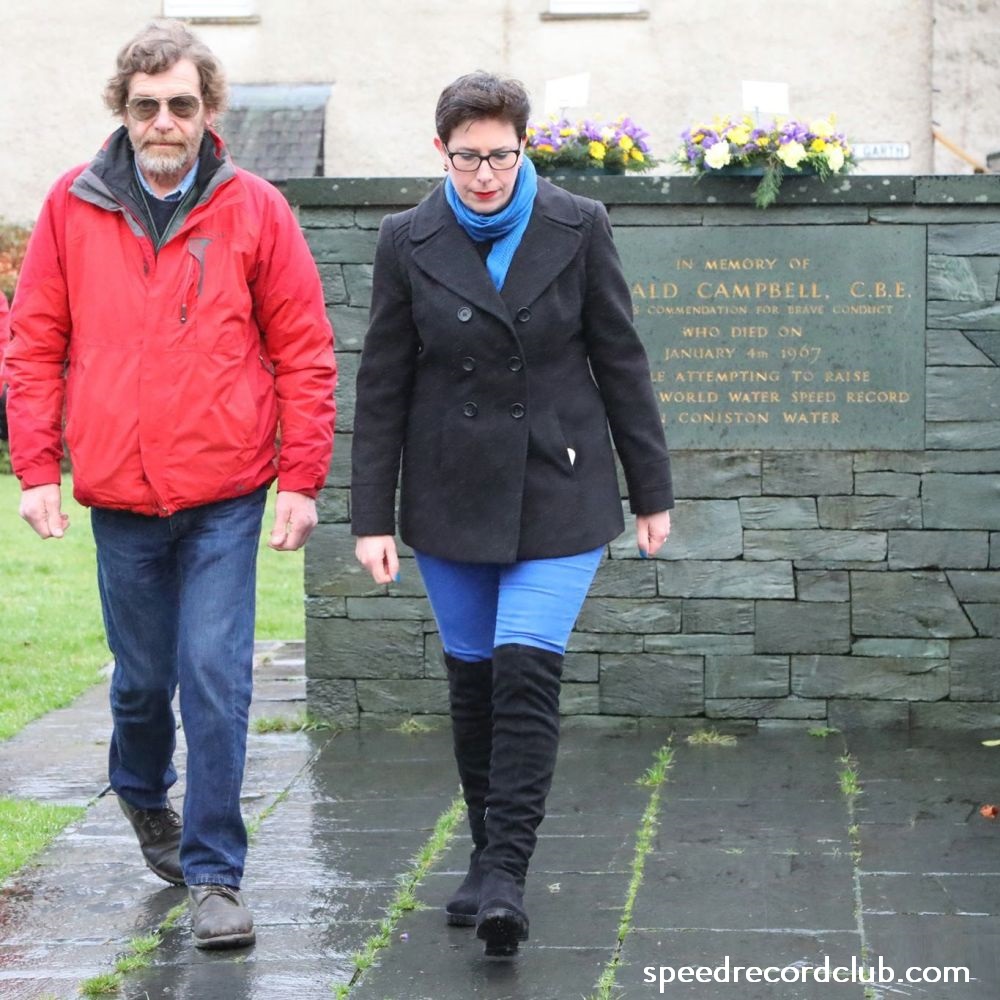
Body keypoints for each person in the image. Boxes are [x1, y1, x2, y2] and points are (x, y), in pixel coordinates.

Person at [5, 21, 336, 950]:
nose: (164, 122)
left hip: (226, 494)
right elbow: (32, 344)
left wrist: (300, 479)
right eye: (147, 105)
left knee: (215, 678)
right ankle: (144, 791)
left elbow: (304, 350)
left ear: (209, 111)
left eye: (182, 105)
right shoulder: (73, 207)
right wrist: (37, 469)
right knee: (144, 686)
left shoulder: (257, 209)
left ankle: (216, 873)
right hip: (121, 498)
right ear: (124, 108)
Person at [352, 71, 672, 958]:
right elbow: (381, 383)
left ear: (525, 146)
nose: (485, 175)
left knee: (526, 673)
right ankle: (490, 854)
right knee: (476, 685)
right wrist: (370, 515)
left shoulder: (579, 223)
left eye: (500, 155)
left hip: (559, 487)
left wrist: (652, 491)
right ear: (440, 152)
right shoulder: (406, 239)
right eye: (467, 158)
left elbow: (621, 361)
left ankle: (505, 878)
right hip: (449, 493)